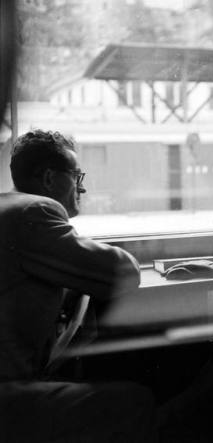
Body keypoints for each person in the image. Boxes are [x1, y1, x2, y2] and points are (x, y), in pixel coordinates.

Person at [0, 130, 157, 442]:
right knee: (133, 401)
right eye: (76, 175)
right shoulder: (35, 211)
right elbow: (123, 273)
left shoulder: (10, 208)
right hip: (7, 388)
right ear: (48, 178)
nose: (82, 186)